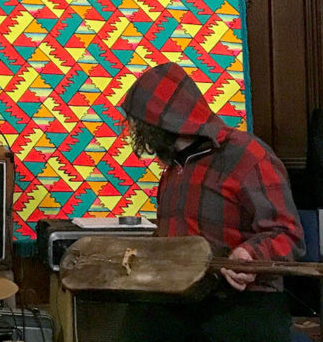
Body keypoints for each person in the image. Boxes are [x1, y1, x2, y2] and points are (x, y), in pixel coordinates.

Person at [118, 61, 305, 342]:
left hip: (241, 301)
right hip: (179, 298)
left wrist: (249, 255)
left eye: (142, 126)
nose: (137, 134)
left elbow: (288, 234)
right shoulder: (173, 172)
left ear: (165, 121)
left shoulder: (248, 154)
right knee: (133, 325)